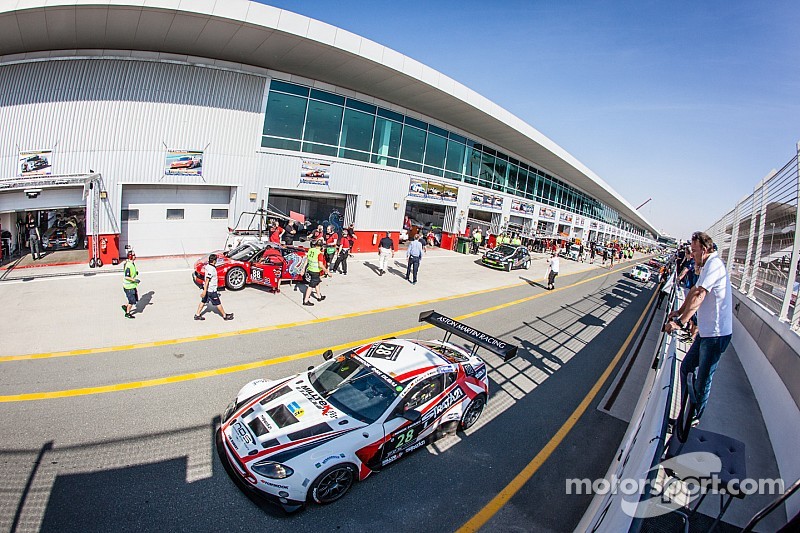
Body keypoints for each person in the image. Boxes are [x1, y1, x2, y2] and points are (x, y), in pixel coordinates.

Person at [664, 232, 732, 423]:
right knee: (686, 368)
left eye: (694, 251)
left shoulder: (714, 265)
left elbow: (700, 295)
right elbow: (693, 291)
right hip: (706, 333)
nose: (691, 255)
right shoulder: (706, 265)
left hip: (716, 336)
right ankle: (685, 413)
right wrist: (680, 311)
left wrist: (680, 322)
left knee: (703, 380)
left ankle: (692, 419)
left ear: (704, 249)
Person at [195, 253, 233, 321]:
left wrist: (204, 290)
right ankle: (225, 316)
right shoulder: (212, 269)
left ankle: (197, 315)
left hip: (207, 289)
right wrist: (204, 291)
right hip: (211, 290)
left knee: (203, 301)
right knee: (218, 303)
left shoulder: (207, 266)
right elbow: (207, 280)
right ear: (214, 261)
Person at [302, 239, 328, 305]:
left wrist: (303, 269)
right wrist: (327, 272)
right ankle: (306, 300)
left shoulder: (311, 250)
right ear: (321, 246)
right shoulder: (319, 254)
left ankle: (319, 296)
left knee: (317, 282)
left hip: (310, 269)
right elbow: (320, 265)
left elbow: (307, 260)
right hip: (315, 271)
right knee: (311, 286)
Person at [121, 248, 139, 319]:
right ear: (130, 256)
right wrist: (135, 280)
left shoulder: (131, 263)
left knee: (133, 299)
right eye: (134, 255)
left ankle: (126, 306)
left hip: (131, 286)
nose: (135, 256)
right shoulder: (129, 265)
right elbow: (127, 277)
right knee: (132, 301)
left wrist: (135, 273)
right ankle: (127, 313)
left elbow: (131, 272)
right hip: (129, 287)